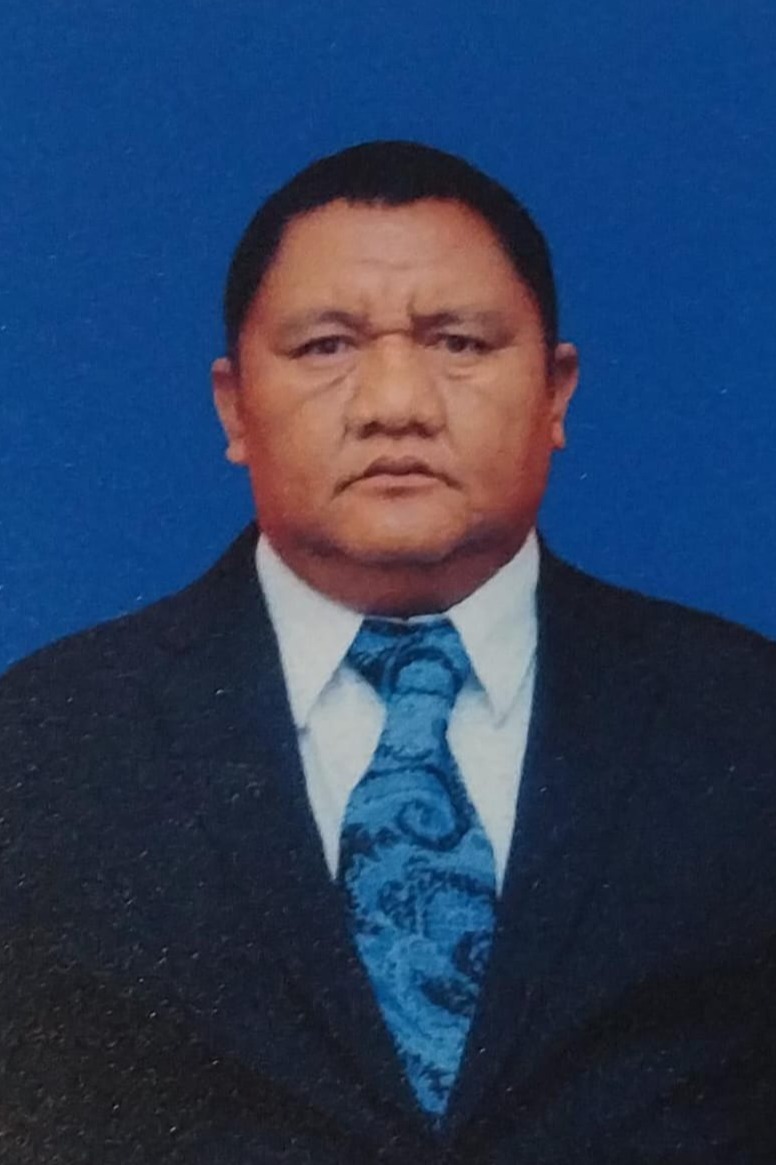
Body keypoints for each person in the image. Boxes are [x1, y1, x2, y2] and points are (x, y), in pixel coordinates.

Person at [1, 141, 774, 1165]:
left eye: (459, 342)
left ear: (556, 393)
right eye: (327, 346)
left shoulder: (744, 722)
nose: (395, 403)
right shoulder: (44, 743)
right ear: (234, 405)